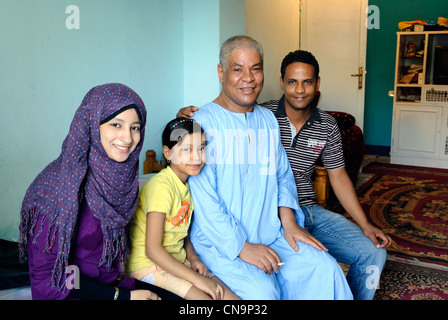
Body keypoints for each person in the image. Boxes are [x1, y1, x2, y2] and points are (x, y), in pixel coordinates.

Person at [180, 49, 392, 300]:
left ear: (317, 84)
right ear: (281, 83)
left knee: (350, 261)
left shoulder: (320, 124)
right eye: (292, 82)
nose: (299, 90)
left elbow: (336, 176)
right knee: (269, 287)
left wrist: (364, 224)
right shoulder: (262, 112)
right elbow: (230, 111)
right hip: (268, 219)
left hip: (303, 212)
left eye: (307, 82)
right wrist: (184, 122)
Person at [19, 83, 181, 300]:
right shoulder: (58, 187)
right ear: (92, 125)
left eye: (135, 127)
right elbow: (49, 279)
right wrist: (122, 297)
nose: (128, 138)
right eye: (116, 124)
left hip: (111, 283)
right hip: (72, 294)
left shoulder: (120, 181)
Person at [127, 118, 239, 300]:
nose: (196, 156)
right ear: (168, 153)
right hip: (149, 266)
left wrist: (193, 258)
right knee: (205, 299)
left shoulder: (185, 184)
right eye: (187, 149)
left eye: (201, 148)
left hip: (176, 261)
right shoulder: (161, 186)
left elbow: (180, 228)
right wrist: (197, 280)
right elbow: (152, 250)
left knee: (228, 297)